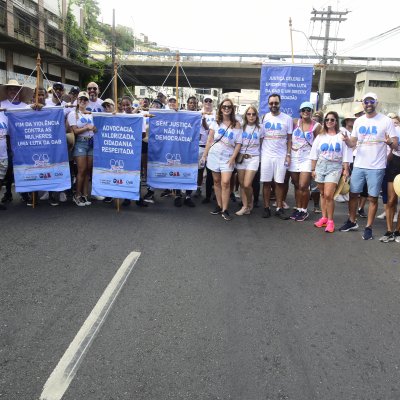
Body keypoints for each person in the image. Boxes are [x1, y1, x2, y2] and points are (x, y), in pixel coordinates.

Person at [340, 92, 397, 240]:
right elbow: (354, 142)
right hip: (359, 164)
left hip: (376, 166)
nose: (369, 104)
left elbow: (396, 144)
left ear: (376, 103)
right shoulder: (359, 121)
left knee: (372, 198)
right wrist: (347, 141)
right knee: (353, 194)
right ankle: (352, 221)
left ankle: (368, 227)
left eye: (371, 101)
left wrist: (390, 142)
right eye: (366, 101)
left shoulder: (386, 121)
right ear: (363, 104)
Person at [201, 98, 242, 221]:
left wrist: (233, 157)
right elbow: (209, 140)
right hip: (214, 155)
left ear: (232, 109)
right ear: (220, 108)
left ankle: (225, 209)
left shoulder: (237, 124)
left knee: (225, 182)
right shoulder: (215, 123)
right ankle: (219, 206)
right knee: (217, 182)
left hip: (228, 157)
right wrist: (205, 155)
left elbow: (239, 143)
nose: (226, 109)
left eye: (229, 107)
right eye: (224, 106)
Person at [311, 111, 352, 233]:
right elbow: (314, 154)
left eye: (332, 120)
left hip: (335, 166)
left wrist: (346, 169)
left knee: (329, 195)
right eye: (327, 120)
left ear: (336, 122)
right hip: (320, 165)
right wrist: (312, 169)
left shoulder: (341, 135)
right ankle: (323, 218)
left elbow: (346, 153)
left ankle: (330, 221)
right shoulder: (320, 136)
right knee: (323, 193)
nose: (329, 122)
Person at [260, 93, 292, 219]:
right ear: (268, 104)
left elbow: (289, 139)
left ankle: (279, 208)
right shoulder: (264, 117)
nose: (274, 105)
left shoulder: (287, 119)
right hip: (266, 155)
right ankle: (266, 208)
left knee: (280, 183)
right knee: (266, 183)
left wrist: (288, 154)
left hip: (281, 155)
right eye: (271, 103)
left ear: (280, 103)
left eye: (276, 103)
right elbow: (261, 137)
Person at [0, 79, 32, 205]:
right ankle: (8, 192)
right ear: (7, 91)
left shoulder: (26, 106)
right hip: (6, 140)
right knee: (7, 168)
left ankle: (24, 192)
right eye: (10, 88)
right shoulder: (1, 105)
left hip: (22, 140)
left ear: (20, 91)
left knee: (23, 166)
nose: (13, 91)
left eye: (16, 89)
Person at [289, 101, 322, 221]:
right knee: (297, 185)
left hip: (307, 158)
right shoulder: (294, 123)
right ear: (300, 112)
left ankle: (304, 210)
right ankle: (298, 208)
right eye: (303, 110)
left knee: (304, 185)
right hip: (294, 157)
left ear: (311, 111)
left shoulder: (317, 126)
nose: (306, 112)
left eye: (308, 110)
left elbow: (320, 143)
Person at [67, 91, 97, 206]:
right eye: (81, 99)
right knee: (81, 170)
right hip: (80, 143)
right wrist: (86, 128)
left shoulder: (90, 113)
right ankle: (77, 195)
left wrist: (93, 128)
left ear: (88, 101)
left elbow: (95, 129)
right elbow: (74, 131)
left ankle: (85, 194)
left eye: (85, 99)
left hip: (91, 143)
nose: (83, 101)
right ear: (77, 101)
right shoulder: (72, 114)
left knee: (88, 171)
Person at [235, 106, 263, 215]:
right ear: (245, 115)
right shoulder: (241, 127)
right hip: (241, 158)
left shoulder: (260, 128)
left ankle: (250, 202)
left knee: (247, 184)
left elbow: (262, 144)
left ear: (256, 116)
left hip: (254, 158)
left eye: (253, 114)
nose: (251, 116)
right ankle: (245, 206)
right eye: (249, 114)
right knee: (242, 184)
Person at [173, 96, 198, 207]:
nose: (192, 105)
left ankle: (188, 196)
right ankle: (178, 195)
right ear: (187, 104)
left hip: (192, 148)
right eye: (190, 103)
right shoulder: (181, 113)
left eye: (194, 103)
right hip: (180, 147)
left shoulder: (199, 115)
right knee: (178, 171)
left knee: (190, 172)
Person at [379, 112, 400, 242]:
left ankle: (398, 231)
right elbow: (393, 147)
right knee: (391, 200)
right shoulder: (395, 129)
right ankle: (389, 231)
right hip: (395, 163)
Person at [199, 95, 215, 203]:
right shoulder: (198, 113)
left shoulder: (216, 114)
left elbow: (209, 129)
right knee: (200, 169)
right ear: (203, 102)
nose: (208, 103)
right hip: (200, 146)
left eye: (210, 101)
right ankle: (198, 188)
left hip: (213, 147)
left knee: (211, 172)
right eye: (206, 101)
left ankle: (212, 191)